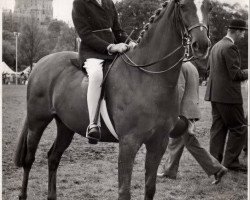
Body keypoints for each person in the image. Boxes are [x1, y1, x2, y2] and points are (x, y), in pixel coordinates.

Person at [72, 0, 136, 144]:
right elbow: (85, 34)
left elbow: (117, 30)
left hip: (113, 50)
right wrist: (110, 47)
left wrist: (130, 42)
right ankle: (93, 124)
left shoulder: (108, 2)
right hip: (92, 51)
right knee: (96, 75)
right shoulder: (80, 3)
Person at [157, 62, 227, 184]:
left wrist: (174, 111)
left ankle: (217, 169)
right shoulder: (190, 65)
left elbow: (179, 88)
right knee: (175, 142)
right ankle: (169, 171)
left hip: (183, 111)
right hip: (190, 109)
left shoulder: (178, 65)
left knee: (191, 143)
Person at [204, 19, 248, 172]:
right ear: (236, 31)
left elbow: (210, 70)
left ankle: (214, 163)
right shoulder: (230, 47)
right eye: (243, 32)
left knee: (218, 129)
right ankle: (231, 164)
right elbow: (235, 74)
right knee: (239, 129)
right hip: (229, 97)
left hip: (215, 95)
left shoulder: (216, 45)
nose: (243, 35)